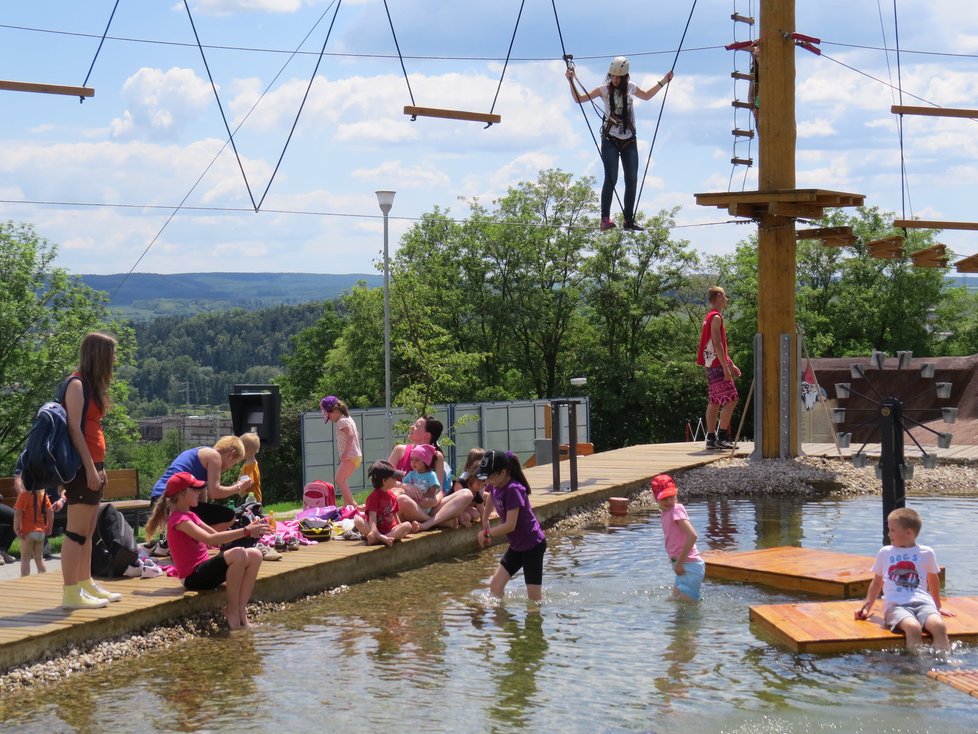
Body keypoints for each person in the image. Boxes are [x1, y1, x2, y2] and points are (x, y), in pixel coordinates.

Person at [144, 472, 268, 630]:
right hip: (193, 577)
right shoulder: (179, 520)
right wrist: (245, 531)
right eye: (194, 489)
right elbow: (210, 540)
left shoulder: (190, 515)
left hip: (204, 571)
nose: (199, 493)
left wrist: (251, 529)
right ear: (181, 493)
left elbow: (216, 535)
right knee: (239, 554)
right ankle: (231, 610)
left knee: (255, 555)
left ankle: (240, 611)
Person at [566, 57, 674, 232]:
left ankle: (628, 220)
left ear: (625, 77)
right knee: (611, 178)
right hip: (610, 139)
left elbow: (646, 95)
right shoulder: (604, 90)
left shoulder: (631, 88)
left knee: (631, 180)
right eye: (613, 77)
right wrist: (571, 80)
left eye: (618, 78)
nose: (615, 80)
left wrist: (664, 81)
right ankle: (604, 219)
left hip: (629, 139)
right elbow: (579, 99)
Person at [61, 332, 122, 610]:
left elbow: (92, 430)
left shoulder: (91, 386)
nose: (115, 360)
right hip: (80, 467)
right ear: (99, 355)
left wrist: (100, 467)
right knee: (75, 532)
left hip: (92, 466)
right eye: (112, 354)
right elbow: (75, 429)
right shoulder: (76, 384)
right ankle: (71, 591)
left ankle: (85, 583)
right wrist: (88, 468)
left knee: (88, 529)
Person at [855, 507, 954, 652]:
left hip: (923, 603)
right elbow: (877, 582)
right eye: (889, 529)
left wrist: (937, 606)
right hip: (896, 606)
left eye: (893, 530)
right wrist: (866, 608)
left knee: (939, 625)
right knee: (913, 627)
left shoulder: (926, 552)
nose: (889, 534)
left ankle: (943, 662)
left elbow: (933, 580)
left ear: (908, 533)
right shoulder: (886, 552)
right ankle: (915, 666)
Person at [148, 436, 253, 545]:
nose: (230, 468)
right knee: (229, 516)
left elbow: (202, 497)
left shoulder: (201, 452)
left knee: (207, 516)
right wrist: (239, 487)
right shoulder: (214, 456)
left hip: (159, 499)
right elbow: (215, 492)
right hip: (172, 502)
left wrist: (204, 517)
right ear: (231, 454)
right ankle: (198, 544)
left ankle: (184, 543)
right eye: (234, 463)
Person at [477, 450, 546, 602]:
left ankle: (534, 623)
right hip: (517, 545)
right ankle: (504, 622)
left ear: (503, 472)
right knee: (495, 586)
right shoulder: (495, 484)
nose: (488, 481)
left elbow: (510, 526)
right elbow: (491, 497)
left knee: (534, 601)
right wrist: (485, 518)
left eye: (491, 476)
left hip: (532, 545)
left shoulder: (514, 489)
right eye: (486, 477)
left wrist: (487, 533)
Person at [696, 286, 741, 450]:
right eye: (725, 296)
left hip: (711, 364)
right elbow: (717, 344)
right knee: (732, 399)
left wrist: (731, 364)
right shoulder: (716, 317)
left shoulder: (709, 317)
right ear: (719, 296)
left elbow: (716, 345)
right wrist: (726, 368)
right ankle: (722, 437)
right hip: (717, 365)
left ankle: (711, 438)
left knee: (714, 401)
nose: (727, 299)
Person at [651, 474, 705, 603]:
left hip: (689, 566)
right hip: (682, 565)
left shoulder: (676, 511)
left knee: (687, 612)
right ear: (655, 498)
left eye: (672, 497)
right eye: (665, 499)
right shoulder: (666, 512)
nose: (669, 502)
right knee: (673, 601)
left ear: (676, 493)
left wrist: (679, 563)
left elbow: (693, 536)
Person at [417, 448, 486, 531]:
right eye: (479, 483)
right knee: (467, 502)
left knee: (475, 514)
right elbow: (459, 503)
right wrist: (463, 520)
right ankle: (429, 523)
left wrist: (487, 531)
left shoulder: (477, 492)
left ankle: (442, 521)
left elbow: (482, 513)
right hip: (442, 505)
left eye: (484, 484)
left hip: (450, 509)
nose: (481, 486)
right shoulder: (461, 482)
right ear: (472, 478)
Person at [354, 460, 419, 546]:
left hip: (390, 530)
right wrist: (377, 533)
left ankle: (379, 540)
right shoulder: (374, 497)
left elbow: (395, 515)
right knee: (358, 520)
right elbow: (372, 521)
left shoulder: (392, 496)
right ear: (384, 481)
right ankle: (381, 538)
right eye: (394, 477)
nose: (397, 479)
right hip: (376, 530)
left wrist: (403, 531)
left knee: (407, 525)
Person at [388, 415, 452, 496]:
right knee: (401, 497)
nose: (411, 427)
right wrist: (406, 486)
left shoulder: (437, 456)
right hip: (400, 500)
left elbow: (439, 491)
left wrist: (432, 502)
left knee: (466, 494)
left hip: (426, 503)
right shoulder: (399, 450)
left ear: (426, 435)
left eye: (416, 426)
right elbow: (384, 478)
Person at [320, 395, 362, 507]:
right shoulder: (348, 418)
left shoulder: (341, 422)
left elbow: (351, 435)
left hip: (350, 456)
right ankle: (346, 506)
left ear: (334, 411)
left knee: (338, 480)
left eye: (329, 416)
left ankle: (353, 504)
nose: (330, 420)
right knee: (342, 480)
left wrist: (345, 452)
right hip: (356, 456)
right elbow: (357, 434)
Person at [14, 482, 54, 576]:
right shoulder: (43, 495)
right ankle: (44, 578)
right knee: (39, 558)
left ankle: (25, 580)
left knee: (25, 558)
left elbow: (18, 514)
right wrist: (49, 527)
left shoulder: (24, 495)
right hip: (41, 532)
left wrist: (16, 528)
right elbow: (50, 511)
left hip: (28, 532)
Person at [238, 432, 263, 504]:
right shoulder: (250, 464)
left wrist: (237, 486)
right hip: (250, 498)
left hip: (251, 499)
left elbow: (249, 482)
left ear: (246, 449)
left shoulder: (251, 466)